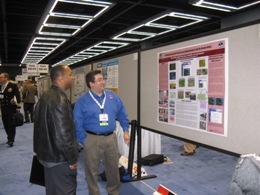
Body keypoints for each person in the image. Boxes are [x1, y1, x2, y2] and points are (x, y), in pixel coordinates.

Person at [74, 70, 130, 195]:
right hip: (92, 138)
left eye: (103, 79)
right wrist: (84, 140)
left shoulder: (112, 96)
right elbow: (77, 121)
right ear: (91, 84)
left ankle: (113, 191)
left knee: (113, 168)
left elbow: (122, 113)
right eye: (99, 80)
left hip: (111, 138)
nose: (103, 82)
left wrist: (125, 130)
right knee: (92, 170)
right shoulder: (82, 100)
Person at [33, 65, 78, 195]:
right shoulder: (60, 100)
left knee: (52, 190)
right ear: (62, 78)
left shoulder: (45, 96)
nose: (73, 77)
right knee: (65, 190)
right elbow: (63, 134)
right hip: (59, 159)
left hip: (48, 156)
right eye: (70, 74)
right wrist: (72, 159)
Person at [0, 73, 21, 147]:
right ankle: (9, 137)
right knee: (5, 124)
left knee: (11, 124)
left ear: (6, 78)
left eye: (1, 77)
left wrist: (18, 107)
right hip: (3, 108)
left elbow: (18, 96)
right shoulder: (1, 86)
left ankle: (11, 139)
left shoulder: (12, 86)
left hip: (11, 108)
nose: (0, 79)